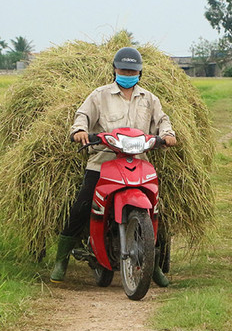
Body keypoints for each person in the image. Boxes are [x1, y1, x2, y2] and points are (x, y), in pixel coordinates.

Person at [51, 46, 177, 285]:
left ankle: (154, 263)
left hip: (138, 164)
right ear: (114, 70)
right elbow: (82, 116)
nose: (127, 74)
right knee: (82, 205)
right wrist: (79, 131)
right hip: (103, 162)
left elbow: (162, 121)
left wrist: (167, 135)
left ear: (140, 73)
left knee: (157, 210)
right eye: (123, 69)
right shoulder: (99, 95)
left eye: (132, 71)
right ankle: (62, 258)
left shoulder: (149, 99)